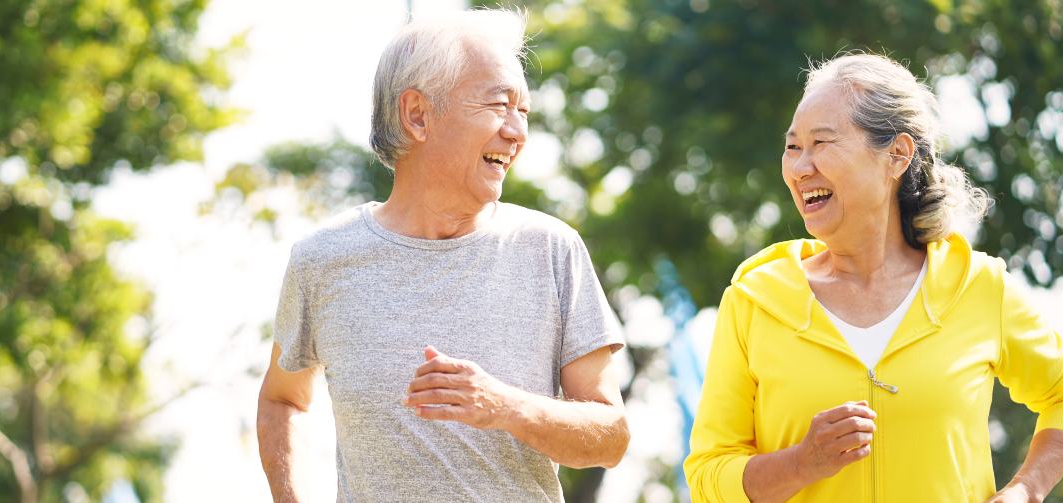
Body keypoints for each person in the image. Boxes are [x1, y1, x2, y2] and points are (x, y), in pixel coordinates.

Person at [255, 9, 628, 502]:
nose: (517, 132)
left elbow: (612, 436)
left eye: (524, 111)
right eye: (499, 105)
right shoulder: (322, 260)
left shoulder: (551, 249)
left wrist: (505, 406)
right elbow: (283, 400)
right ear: (417, 115)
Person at [685, 53, 1063, 502]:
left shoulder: (978, 287)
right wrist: (802, 463)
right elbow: (708, 476)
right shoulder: (755, 300)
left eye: (822, 143)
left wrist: (1027, 489)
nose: (800, 167)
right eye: (792, 147)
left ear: (897, 155)